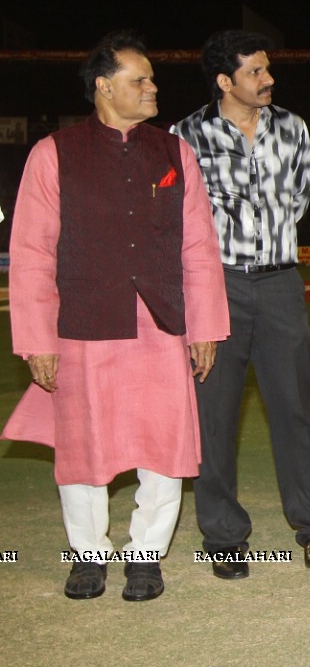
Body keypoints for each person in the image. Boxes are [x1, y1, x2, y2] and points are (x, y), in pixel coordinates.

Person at [2, 31, 229, 600]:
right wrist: (36, 340)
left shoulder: (176, 153)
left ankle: (146, 558)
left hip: (161, 324)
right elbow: (31, 253)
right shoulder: (53, 153)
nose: (153, 87)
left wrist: (204, 327)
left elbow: (199, 246)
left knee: (165, 445)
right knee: (82, 448)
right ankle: (88, 557)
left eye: (151, 79)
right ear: (104, 87)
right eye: (140, 79)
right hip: (81, 323)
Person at [174, 30, 310, 579]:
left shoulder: (293, 128)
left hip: (278, 283)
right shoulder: (186, 134)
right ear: (225, 81)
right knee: (214, 413)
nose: (268, 80)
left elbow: (295, 202)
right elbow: (180, 215)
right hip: (213, 284)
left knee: (295, 406)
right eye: (255, 72)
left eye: (268, 70)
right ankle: (223, 535)